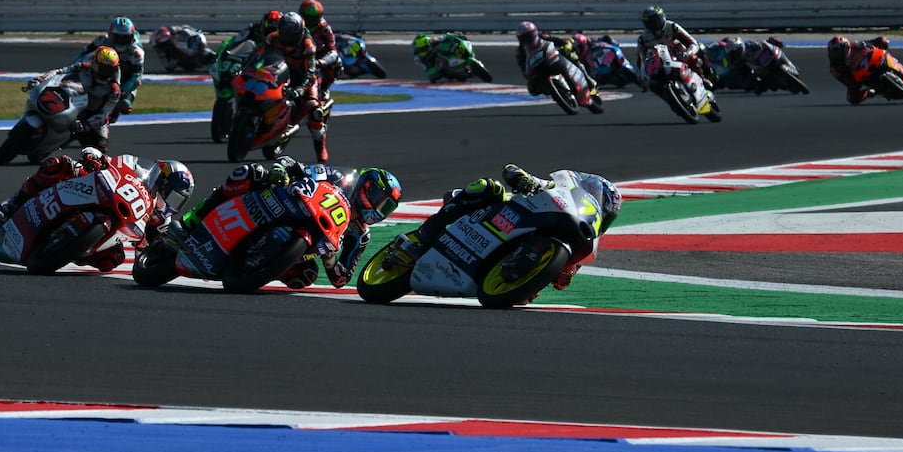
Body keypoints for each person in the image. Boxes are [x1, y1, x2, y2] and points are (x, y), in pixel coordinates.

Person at [390, 164, 621, 294]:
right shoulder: (558, 188)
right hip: (504, 216)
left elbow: (560, 283)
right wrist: (523, 179)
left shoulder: (579, 244)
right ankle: (424, 236)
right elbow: (512, 170)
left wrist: (561, 270)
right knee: (486, 187)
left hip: (505, 285)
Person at [179, 156, 402, 289]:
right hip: (284, 203)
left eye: (386, 208)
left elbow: (342, 279)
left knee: (306, 275)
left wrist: (331, 261)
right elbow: (296, 166)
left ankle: (259, 265)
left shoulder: (360, 235)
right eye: (379, 202)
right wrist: (281, 172)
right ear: (367, 188)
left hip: (311, 239)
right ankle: (193, 221)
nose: (379, 210)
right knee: (248, 173)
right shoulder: (337, 177)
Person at [0, 147, 194, 271]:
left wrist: (155, 250)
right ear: (162, 182)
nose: (169, 204)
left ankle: (71, 250)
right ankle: (13, 203)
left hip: (109, 227)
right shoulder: (137, 166)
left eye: (178, 202)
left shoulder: (160, 221)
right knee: (59, 164)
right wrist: (96, 157)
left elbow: (157, 249)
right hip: (98, 189)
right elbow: (112, 161)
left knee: (112, 260)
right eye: (171, 196)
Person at [262, 11, 330, 162]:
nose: (286, 40)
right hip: (278, 72)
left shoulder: (308, 46)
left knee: (314, 110)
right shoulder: (272, 38)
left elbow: (310, 73)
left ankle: (320, 148)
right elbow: (258, 56)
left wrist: (300, 89)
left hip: (303, 77)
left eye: (290, 36)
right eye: (284, 34)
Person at [27, 46, 122, 151]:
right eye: (104, 69)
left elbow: (104, 115)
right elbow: (59, 72)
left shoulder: (114, 90)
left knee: (100, 147)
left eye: (110, 70)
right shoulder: (83, 67)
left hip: (92, 117)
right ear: (95, 64)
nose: (106, 73)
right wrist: (40, 79)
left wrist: (85, 125)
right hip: (74, 103)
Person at [514, 22, 598, 106]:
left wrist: (563, 43)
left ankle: (587, 78)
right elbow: (523, 68)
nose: (528, 38)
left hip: (552, 60)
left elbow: (556, 40)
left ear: (535, 33)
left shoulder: (543, 38)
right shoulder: (520, 52)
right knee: (532, 88)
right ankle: (556, 93)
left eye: (529, 35)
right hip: (539, 70)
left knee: (571, 55)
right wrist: (529, 74)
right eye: (525, 37)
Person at [78, 16, 145, 120]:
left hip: (126, 78)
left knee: (125, 105)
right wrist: (73, 66)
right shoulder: (102, 40)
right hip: (102, 71)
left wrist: (122, 91)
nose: (121, 42)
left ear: (131, 37)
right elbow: (83, 53)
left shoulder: (137, 52)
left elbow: (136, 77)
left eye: (125, 38)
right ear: (110, 35)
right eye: (117, 37)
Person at [637, 5, 715, 88]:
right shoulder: (643, 38)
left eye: (656, 21)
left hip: (677, 55)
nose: (654, 25)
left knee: (697, 54)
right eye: (650, 23)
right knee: (651, 78)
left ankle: (703, 77)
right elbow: (639, 58)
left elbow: (693, 43)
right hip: (659, 61)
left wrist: (687, 53)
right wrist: (640, 75)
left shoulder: (672, 27)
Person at [827, 34, 895, 105]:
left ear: (846, 47)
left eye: (838, 52)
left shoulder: (858, 45)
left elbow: (878, 40)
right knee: (852, 98)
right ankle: (871, 92)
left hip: (872, 62)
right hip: (858, 77)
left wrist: (883, 41)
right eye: (834, 53)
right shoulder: (834, 68)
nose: (837, 55)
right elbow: (848, 83)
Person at [299, 0, 341, 100]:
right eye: (308, 18)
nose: (311, 21)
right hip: (300, 54)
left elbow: (333, 50)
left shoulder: (324, 28)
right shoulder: (298, 25)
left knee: (337, 63)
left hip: (319, 56)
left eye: (314, 18)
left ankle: (325, 87)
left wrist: (322, 61)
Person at [411, 33, 494, 83]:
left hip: (447, 58)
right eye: (420, 49)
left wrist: (457, 36)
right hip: (436, 70)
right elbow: (428, 72)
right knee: (436, 74)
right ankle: (454, 74)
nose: (422, 50)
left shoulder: (433, 41)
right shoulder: (419, 59)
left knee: (445, 50)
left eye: (423, 48)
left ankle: (464, 60)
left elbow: (446, 37)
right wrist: (437, 68)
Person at [150, 25, 214, 72]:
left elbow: (197, 33)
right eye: (159, 47)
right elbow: (169, 66)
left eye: (162, 46)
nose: (161, 49)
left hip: (196, 47)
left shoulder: (180, 35)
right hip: (186, 61)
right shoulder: (169, 47)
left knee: (207, 54)